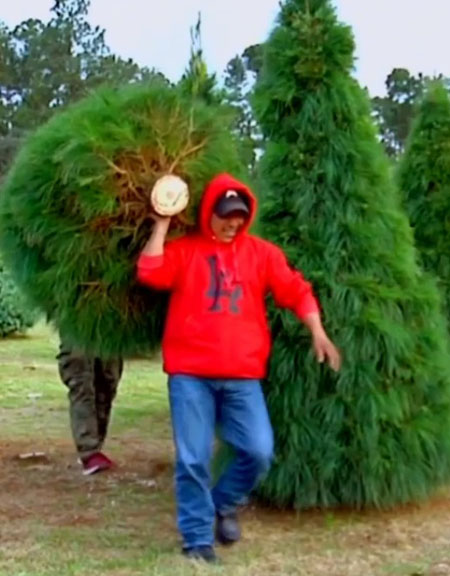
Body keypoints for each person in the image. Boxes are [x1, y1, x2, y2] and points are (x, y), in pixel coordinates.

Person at [135, 172, 341, 564]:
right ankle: (197, 540)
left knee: (259, 451)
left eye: (240, 216)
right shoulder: (185, 251)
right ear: (209, 212)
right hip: (190, 376)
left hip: (242, 377)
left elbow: (295, 289)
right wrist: (162, 223)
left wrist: (317, 330)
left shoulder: (262, 253)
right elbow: (150, 272)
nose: (233, 223)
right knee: (193, 458)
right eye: (225, 215)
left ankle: (221, 503)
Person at [56, 335, 124, 475]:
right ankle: (89, 452)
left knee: (108, 381)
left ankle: (94, 445)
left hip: (108, 328)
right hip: (76, 329)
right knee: (81, 383)